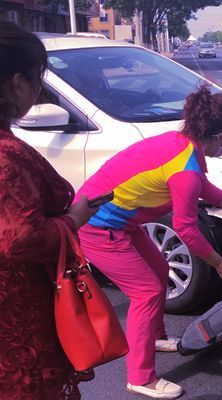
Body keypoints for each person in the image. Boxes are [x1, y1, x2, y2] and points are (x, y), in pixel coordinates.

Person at [76, 85, 222, 399]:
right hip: (97, 227)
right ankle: (140, 378)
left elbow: (203, 188)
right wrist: (220, 263)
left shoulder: (182, 145)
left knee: (159, 271)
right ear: (220, 137)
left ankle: (154, 337)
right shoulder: (185, 168)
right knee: (146, 291)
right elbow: (186, 229)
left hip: (120, 222)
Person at [0, 22, 97, 399]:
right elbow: (20, 238)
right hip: (16, 313)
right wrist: (74, 218)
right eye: (37, 79)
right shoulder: (7, 156)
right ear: (17, 84)